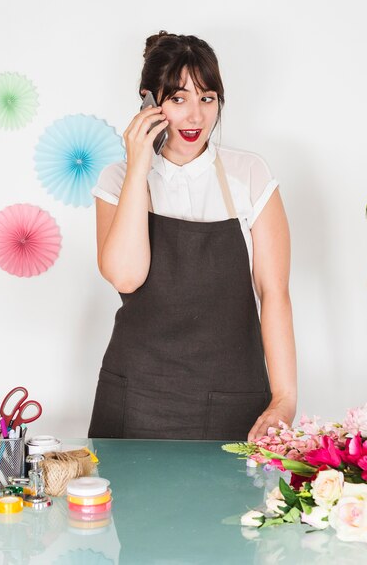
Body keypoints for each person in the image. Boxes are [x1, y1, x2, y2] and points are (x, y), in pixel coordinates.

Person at [88, 31, 296, 441]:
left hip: (233, 397)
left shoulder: (250, 174)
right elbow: (125, 277)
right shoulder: (117, 180)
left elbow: (274, 293)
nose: (196, 117)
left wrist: (284, 397)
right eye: (178, 99)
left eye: (207, 98)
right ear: (149, 101)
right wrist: (137, 167)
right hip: (136, 397)